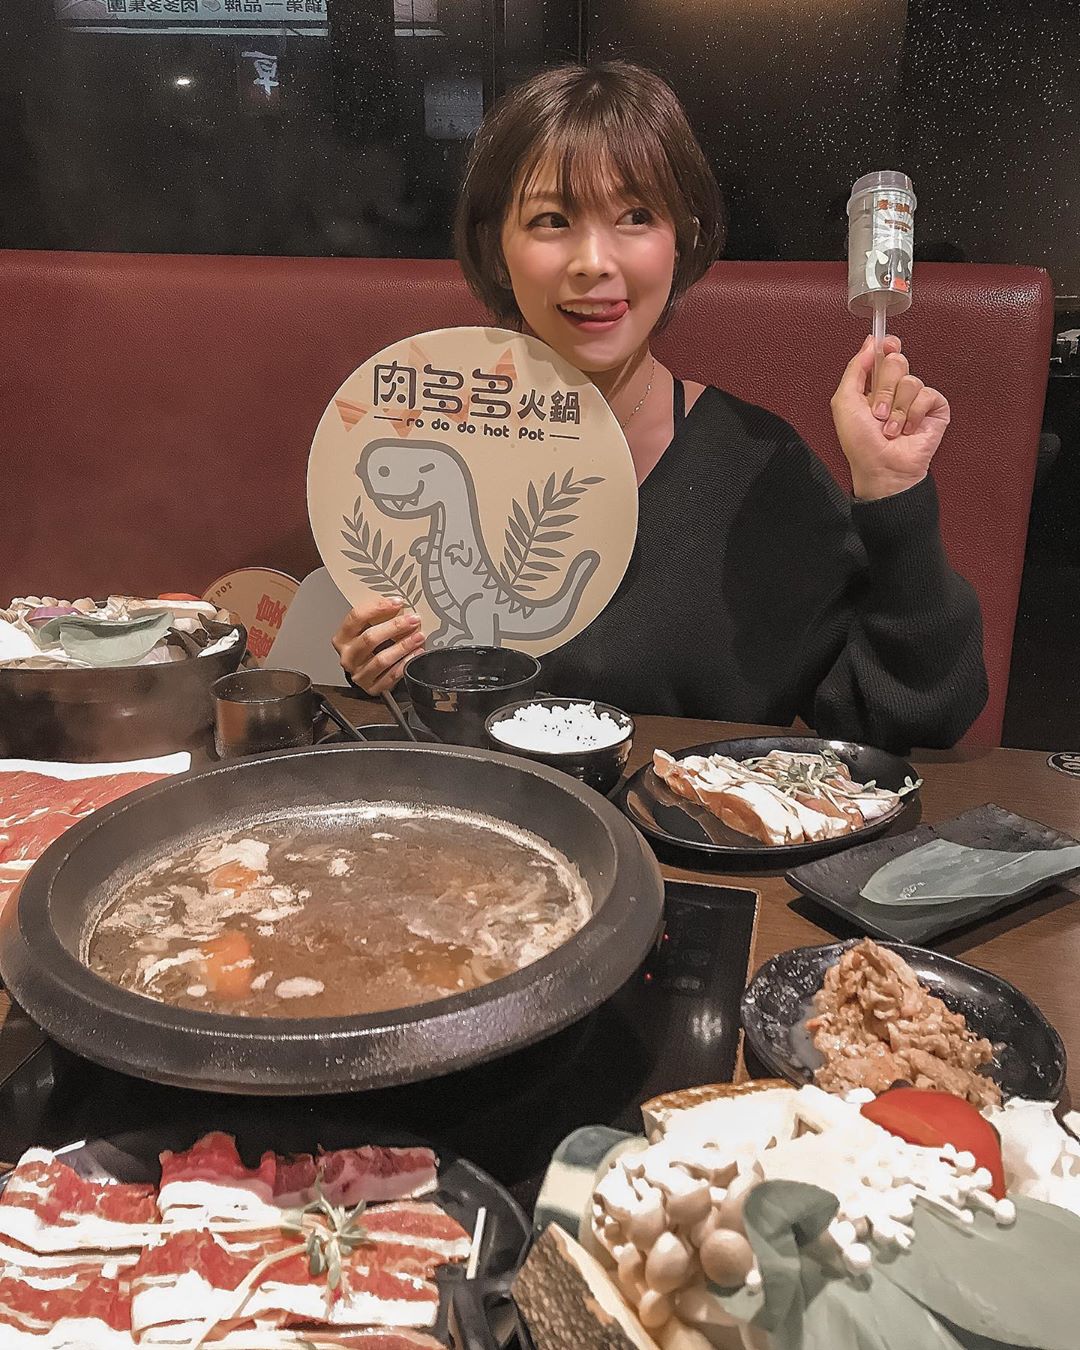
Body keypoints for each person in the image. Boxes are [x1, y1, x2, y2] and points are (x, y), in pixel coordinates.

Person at [334, 61, 988, 752]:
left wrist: (893, 495)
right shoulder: (434, 429)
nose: (593, 261)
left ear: (684, 240)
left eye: (636, 217)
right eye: (552, 219)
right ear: (497, 250)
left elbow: (913, 717)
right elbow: (429, 713)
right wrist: (379, 670)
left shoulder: (756, 471)